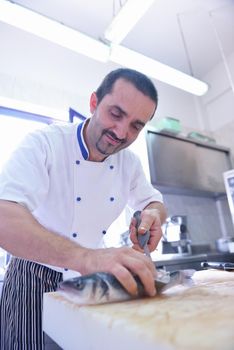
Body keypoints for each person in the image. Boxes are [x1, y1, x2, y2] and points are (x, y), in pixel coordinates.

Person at [0, 68, 167, 349]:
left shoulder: (129, 163)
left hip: (90, 283)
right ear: (93, 103)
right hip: (32, 280)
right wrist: (89, 258)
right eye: (116, 114)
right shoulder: (45, 144)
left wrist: (152, 214)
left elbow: (154, 201)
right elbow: (4, 218)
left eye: (136, 125)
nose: (122, 132)